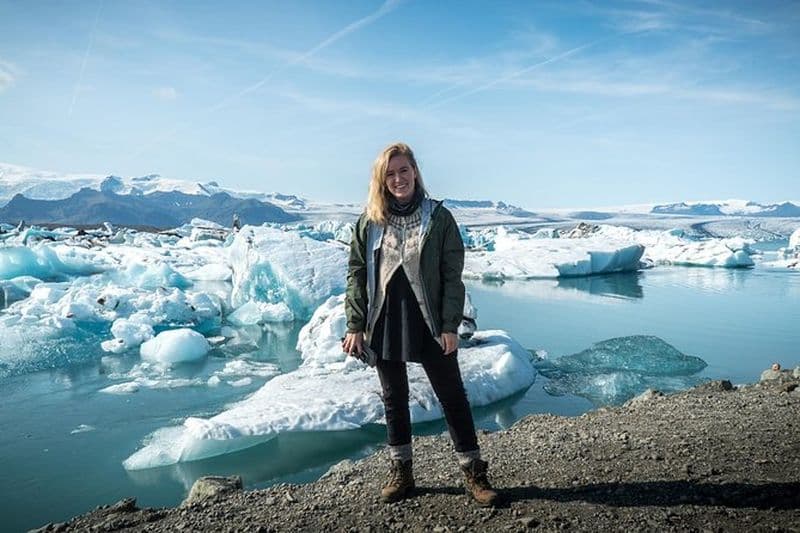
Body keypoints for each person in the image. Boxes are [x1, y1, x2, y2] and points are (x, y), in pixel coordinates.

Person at [342, 142, 497, 506]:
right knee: (394, 398)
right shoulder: (370, 221)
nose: (399, 179)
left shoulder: (439, 218)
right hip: (385, 319)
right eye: (390, 174)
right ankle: (402, 472)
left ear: (415, 172)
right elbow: (356, 274)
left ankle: (474, 473)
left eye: (404, 170)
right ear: (381, 180)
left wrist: (449, 325)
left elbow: (452, 276)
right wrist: (355, 324)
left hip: (430, 322)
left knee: (452, 396)